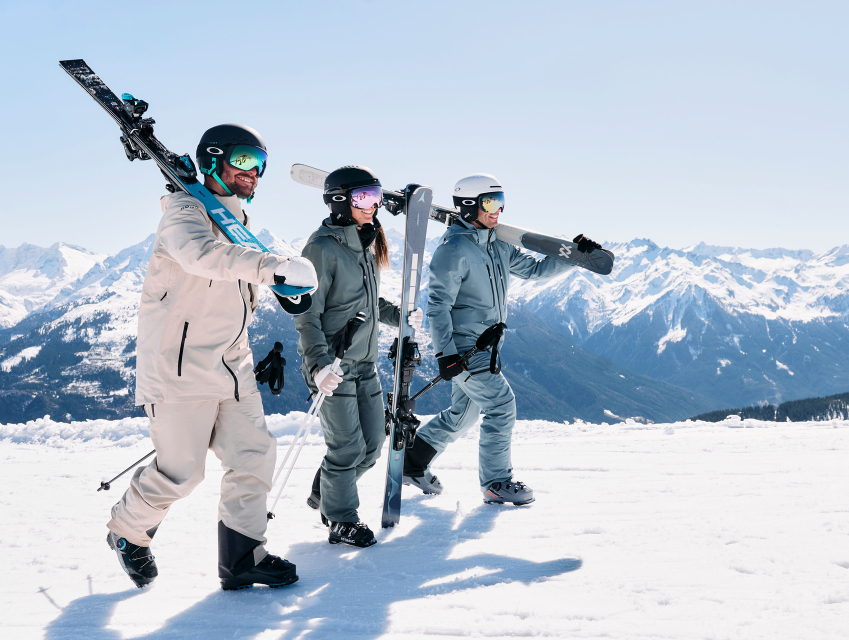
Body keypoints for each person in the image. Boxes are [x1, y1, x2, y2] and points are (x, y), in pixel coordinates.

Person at [106, 124, 320, 590]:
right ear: (214, 159)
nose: (254, 173)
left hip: (233, 368)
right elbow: (204, 257)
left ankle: (243, 557)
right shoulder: (184, 213)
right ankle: (127, 531)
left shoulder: (236, 223)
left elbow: (235, 293)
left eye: (260, 165)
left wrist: (287, 291)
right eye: (244, 161)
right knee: (181, 474)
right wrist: (273, 267)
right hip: (178, 369)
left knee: (255, 455)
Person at [402, 173, 601, 505]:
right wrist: (445, 354)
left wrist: (573, 257)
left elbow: (535, 271)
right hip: (465, 349)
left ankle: (412, 463)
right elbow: (437, 306)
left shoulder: (497, 244)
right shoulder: (453, 250)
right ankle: (496, 482)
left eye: (501, 202)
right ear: (468, 206)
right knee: (501, 405)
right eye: (491, 203)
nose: (498, 211)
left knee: (462, 415)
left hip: (488, 345)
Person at [295, 165, 422, 548]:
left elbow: (366, 302)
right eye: (364, 198)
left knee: (371, 447)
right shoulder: (321, 249)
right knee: (346, 448)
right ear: (340, 201)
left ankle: (328, 490)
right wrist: (318, 367)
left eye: (377, 197)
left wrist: (398, 316)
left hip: (365, 364)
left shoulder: (367, 242)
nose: (374, 206)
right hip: (332, 366)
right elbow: (307, 314)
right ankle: (340, 519)